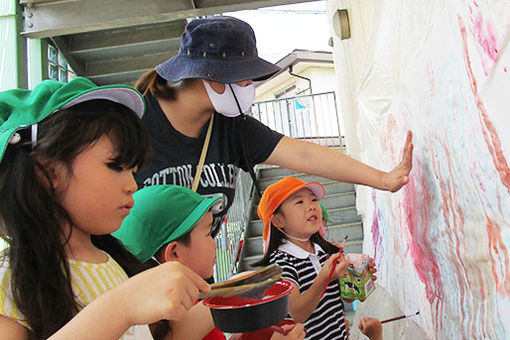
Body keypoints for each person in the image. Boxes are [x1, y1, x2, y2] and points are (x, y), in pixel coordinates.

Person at [134, 16, 414, 237]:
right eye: (246, 80)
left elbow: (305, 155)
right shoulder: (132, 123)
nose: (251, 88)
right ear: (214, 75)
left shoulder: (232, 127)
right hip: (134, 292)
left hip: (193, 286)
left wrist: (383, 180)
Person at [0, 78, 210, 339]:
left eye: (134, 170)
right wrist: (121, 306)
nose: (132, 185)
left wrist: (239, 296)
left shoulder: (114, 262)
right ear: (48, 173)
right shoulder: (8, 283)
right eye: (116, 166)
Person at [113, 184, 306, 340]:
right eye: (207, 233)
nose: (214, 244)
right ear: (174, 254)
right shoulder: (169, 326)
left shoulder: (182, 312)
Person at [254, 176, 368, 340]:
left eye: (313, 200)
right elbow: (297, 313)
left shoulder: (324, 251)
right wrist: (324, 277)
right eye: (299, 202)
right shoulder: (281, 263)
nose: (311, 206)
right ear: (278, 220)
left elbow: (347, 297)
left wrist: (360, 277)